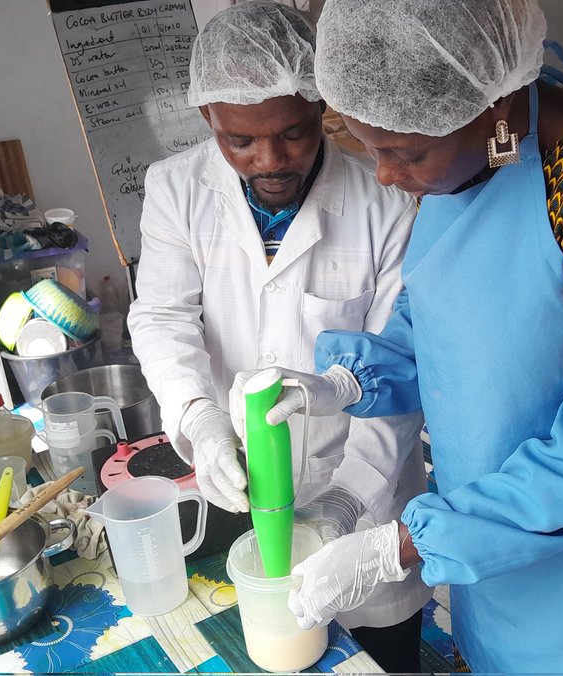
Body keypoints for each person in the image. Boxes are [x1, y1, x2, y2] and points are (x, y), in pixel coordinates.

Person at [231, 0, 563, 672]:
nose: (385, 175)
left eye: (404, 152)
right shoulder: (469, 163)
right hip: (488, 541)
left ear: (491, 105)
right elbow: (438, 319)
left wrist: (400, 546)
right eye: (370, 148)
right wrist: (345, 382)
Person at [126, 3, 431, 671]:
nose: (270, 160)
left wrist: (348, 499)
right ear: (207, 116)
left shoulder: (387, 200)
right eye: (240, 140)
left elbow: (402, 365)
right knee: (262, 643)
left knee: (379, 651)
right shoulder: (175, 189)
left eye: (293, 133)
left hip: (365, 485)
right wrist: (199, 418)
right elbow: (162, 317)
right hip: (242, 487)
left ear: (321, 106)